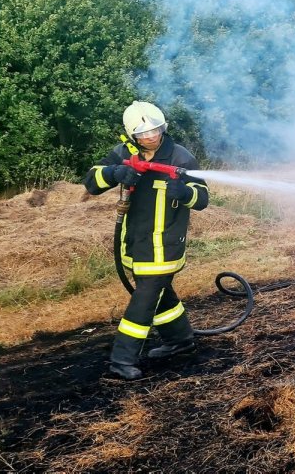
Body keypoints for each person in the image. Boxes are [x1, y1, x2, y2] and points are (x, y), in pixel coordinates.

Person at [84, 101, 210, 380]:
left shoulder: (180, 157)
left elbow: (202, 198)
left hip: (166, 244)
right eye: (143, 134)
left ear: (163, 127)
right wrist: (114, 173)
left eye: (155, 130)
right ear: (132, 136)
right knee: (160, 292)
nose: (151, 137)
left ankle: (122, 359)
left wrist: (184, 191)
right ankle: (180, 340)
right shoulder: (123, 153)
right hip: (136, 242)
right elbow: (91, 182)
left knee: (144, 299)